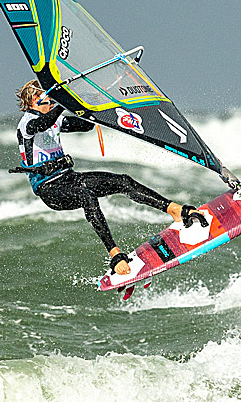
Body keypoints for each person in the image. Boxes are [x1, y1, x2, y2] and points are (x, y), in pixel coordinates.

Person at [11, 80, 209, 276]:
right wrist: (63, 99)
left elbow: (86, 125)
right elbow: (43, 123)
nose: (52, 104)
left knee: (123, 181)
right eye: (49, 101)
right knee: (86, 196)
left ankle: (174, 209)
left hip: (68, 178)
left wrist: (91, 105)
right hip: (49, 189)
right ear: (34, 100)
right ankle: (115, 255)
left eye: (53, 101)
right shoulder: (27, 123)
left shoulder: (56, 121)